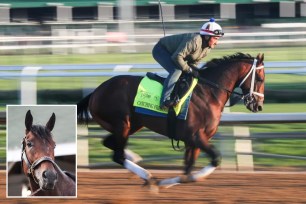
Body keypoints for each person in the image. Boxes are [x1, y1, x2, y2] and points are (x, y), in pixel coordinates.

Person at [152, 18, 224, 109]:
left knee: (188, 75)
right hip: (161, 50)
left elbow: (194, 62)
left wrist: (193, 71)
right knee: (176, 70)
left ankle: (177, 98)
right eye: (215, 38)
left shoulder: (207, 48)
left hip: (175, 54)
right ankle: (164, 101)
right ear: (207, 37)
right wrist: (189, 70)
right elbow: (177, 57)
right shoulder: (195, 40)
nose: (217, 42)